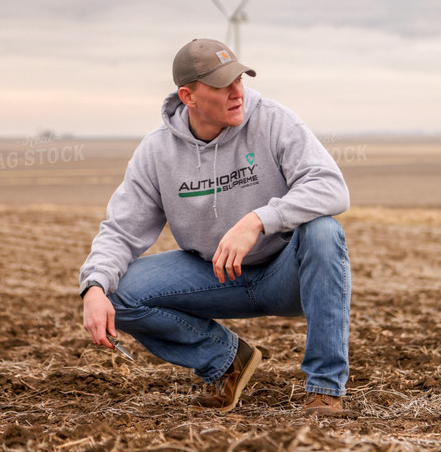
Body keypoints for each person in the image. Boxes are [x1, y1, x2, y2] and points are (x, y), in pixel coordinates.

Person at [79, 38, 351, 415]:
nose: (237, 92)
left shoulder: (273, 120)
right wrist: (93, 287)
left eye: (239, 80)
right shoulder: (158, 152)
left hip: (285, 275)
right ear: (188, 96)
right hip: (216, 277)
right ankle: (226, 359)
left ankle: (324, 389)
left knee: (324, 231)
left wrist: (258, 220)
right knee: (117, 292)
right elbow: (121, 230)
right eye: (222, 85)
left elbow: (331, 188)